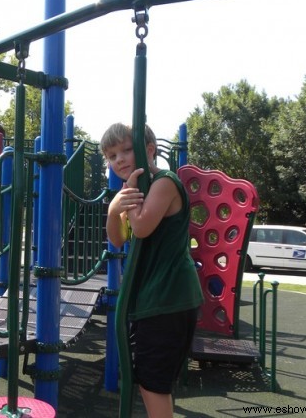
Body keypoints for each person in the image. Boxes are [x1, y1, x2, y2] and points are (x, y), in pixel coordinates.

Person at [101, 122, 203, 417]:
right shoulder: (132, 192)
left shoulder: (165, 182)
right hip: (154, 298)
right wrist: (113, 209)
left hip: (168, 296)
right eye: (111, 155)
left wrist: (129, 196)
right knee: (149, 379)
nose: (119, 159)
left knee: (152, 383)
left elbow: (142, 227)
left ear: (149, 150)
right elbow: (118, 238)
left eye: (126, 150)